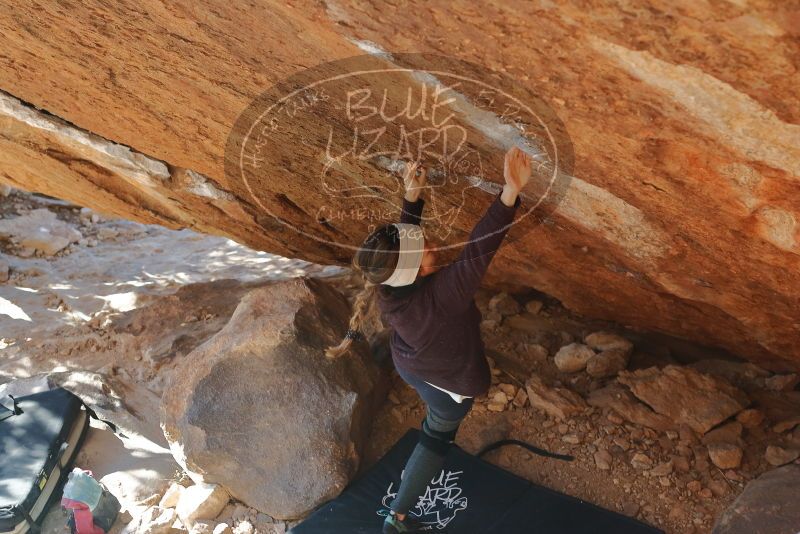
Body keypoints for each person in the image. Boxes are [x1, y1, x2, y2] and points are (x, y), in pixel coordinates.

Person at [325, 146, 532, 533]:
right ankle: (396, 519)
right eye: (426, 250)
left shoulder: (391, 285)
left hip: (412, 362)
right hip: (447, 383)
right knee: (437, 436)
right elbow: (478, 250)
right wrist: (509, 192)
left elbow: (401, 250)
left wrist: (412, 197)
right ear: (414, 270)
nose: (433, 245)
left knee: (433, 419)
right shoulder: (441, 300)